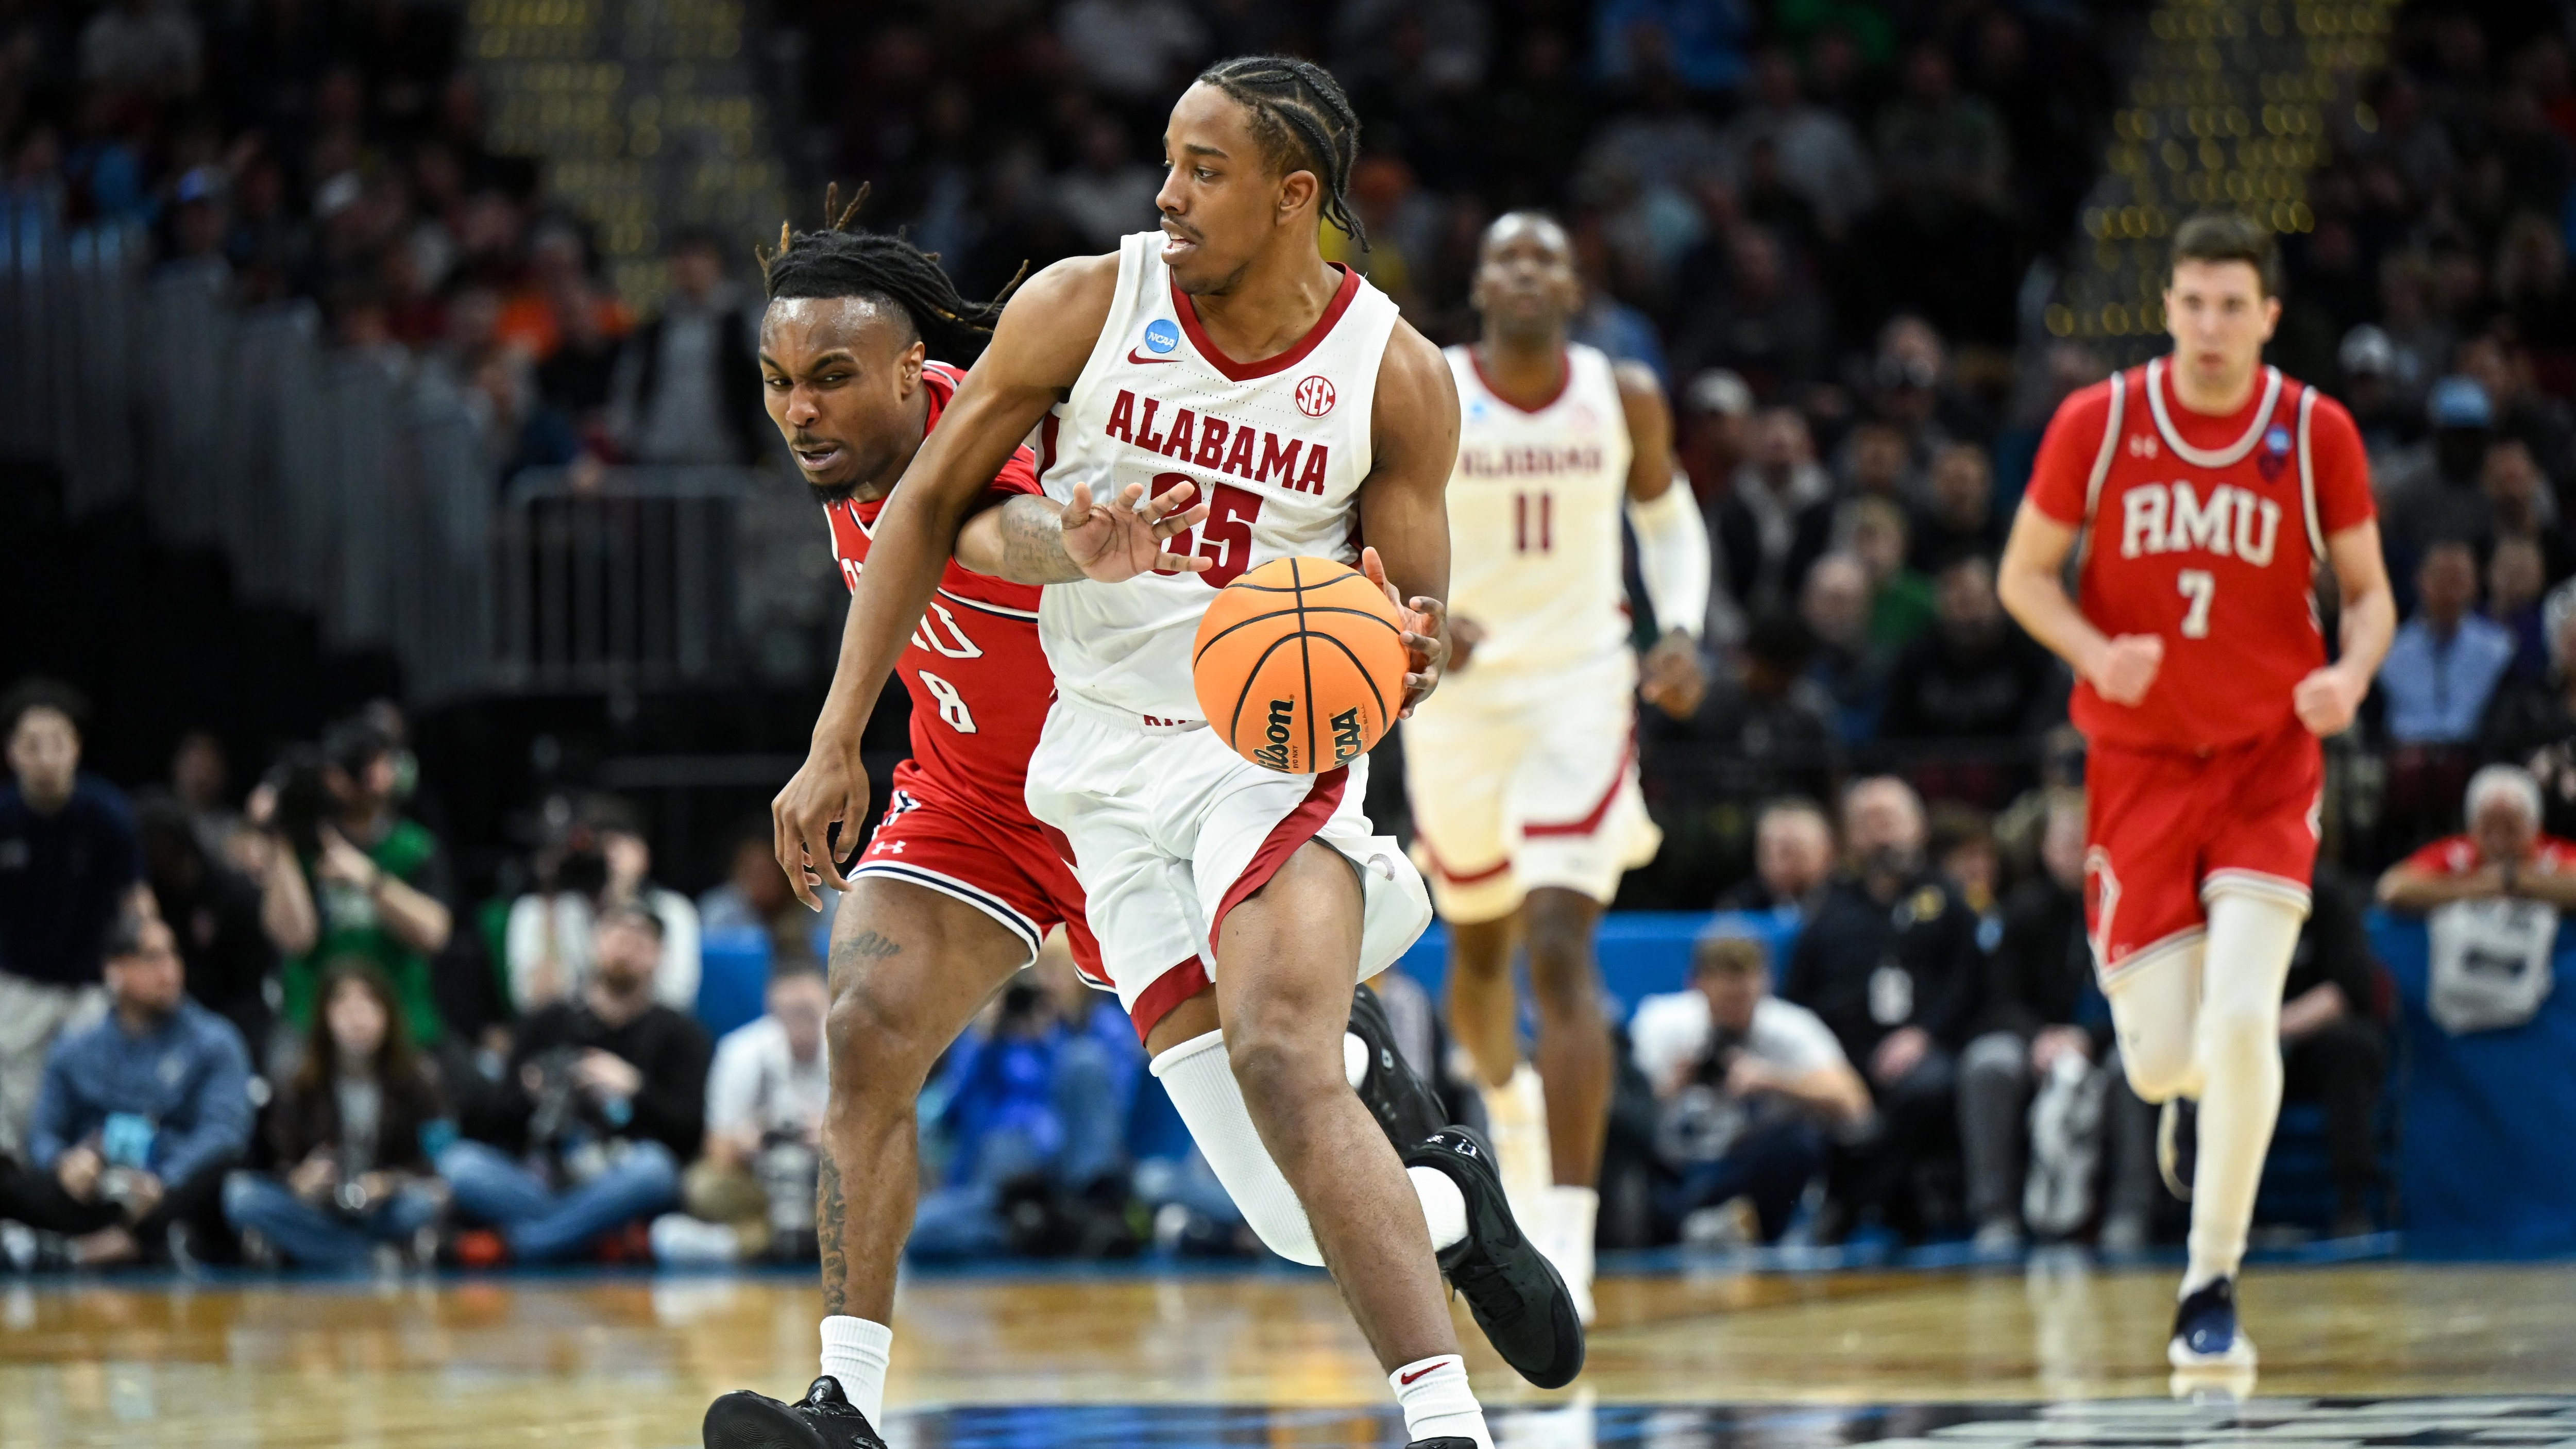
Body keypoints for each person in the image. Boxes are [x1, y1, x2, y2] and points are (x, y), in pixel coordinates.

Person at [741, 61, 1581, 1449]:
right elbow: (932, 525)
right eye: (779, 383)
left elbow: (1003, 522)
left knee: (1291, 1150)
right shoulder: (1028, 342)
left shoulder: (1366, 377)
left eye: (828, 379)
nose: (799, 411)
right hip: (1013, 789)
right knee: (869, 1033)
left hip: (1203, 762)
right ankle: (846, 1403)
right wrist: (838, 739)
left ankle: (1438, 1238)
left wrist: (1398, 651)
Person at [1995, 212, 2395, 1370]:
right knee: (2164, 1059)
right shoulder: (2100, 421)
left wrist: (2350, 675)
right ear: (2167, 307)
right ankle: (2189, 1103)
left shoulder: (2315, 431)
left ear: (2268, 316)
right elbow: (2022, 575)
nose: (2211, 326)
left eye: (2233, 306)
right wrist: (2092, 650)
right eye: (2194, 304)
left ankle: (2208, 1280)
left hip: (2269, 759)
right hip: (2139, 766)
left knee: (2244, 1015)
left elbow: (2371, 595)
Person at [1402, 209, 1712, 1323]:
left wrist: (1682, 629)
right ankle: (1509, 1106)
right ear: (1480, 284)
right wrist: (1419, 608)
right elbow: (1370, 516)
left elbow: (1668, 522)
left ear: (1575, 289)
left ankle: (1568, 1248)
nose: (1527, 272)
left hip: (1582, 687)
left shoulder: (1621, 394)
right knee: (1479, 954)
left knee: (1557, 940)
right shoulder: (1430, 385)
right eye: (1508, 258)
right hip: (1459, 700)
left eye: (1547, 258)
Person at [436, 905, 709, 1263]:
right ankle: (590, 1236)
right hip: (542, 1175)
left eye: (639, 943)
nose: (625, 950)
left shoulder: (683, 1034)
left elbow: (690, 1134)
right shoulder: (545, 1022)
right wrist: (528, 1094)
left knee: (655, 1170)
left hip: (620, 1176)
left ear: (659, 956)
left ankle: (522, 1244)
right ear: (594, 944)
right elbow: (490, 1124)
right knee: (460, 1164)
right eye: (616, 937)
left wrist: (635, 1090)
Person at [1780, 777, 1986, 1241]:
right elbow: (1799, 997)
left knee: (1925, 1089)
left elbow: (1968, 986)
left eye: (1890, 820)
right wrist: (1824, 1058)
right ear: (1849, 835)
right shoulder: (1828, 909)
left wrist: (1924, 1035)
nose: (1881, 835)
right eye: (1867, 823)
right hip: (1842, 1053)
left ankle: (1850, 1206)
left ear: (1918, 827)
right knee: (1811, 1096)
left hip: (1923, 1049)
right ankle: (1887, 1206)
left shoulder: (1949, 902)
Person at [0, 909, 251, 1268]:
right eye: (153, 958)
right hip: (96, 1191)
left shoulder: (215, 1042)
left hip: (169, 1193)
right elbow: (43, 1133)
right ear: (115, 970)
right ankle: (100, 1245)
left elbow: (224, 1131)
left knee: (227, 1173)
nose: (169, 971)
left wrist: (166, 1180)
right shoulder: (75, 1049)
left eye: (174, 955)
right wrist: (65, 1164)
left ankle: (81, 1249)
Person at [1955, 789, 2134, 1252]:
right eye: (2067, 842)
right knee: (1988, 1063)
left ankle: (2130, 1214)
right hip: (2037, 1044)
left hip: (2113, 1041)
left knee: (2137, 1068)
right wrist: (2040, 1039)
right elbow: (1998, 998)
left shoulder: (2133, 910)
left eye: (2087, 841)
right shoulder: (2020, 911)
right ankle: (1995, 1215)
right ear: (2045, 849)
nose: (2078, 852)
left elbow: (2146, 999)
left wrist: (2087, 1039)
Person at [1628, 933, 1870, 1243]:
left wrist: (1772, 1080)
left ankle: (1713, 1228)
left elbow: (1855, 1103)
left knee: (1799, 1140)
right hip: (1673, 1170)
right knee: (1622, 1148)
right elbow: (1625, 1110)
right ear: (1697, 986)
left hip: (1742, 1170)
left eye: (1743, 999)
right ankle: (1692, 1228)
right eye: (1725, 1000)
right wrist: (1672, 1084)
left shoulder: (1790, 1027)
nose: (1735, 1010)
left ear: (1766, 985)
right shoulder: (1662, 1022)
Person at [221, 963, 451, 1269]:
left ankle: (322, 1252)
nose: (357, 1018)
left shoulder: (417, 1081)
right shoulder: (297, 1082)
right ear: (325, 1017)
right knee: (241, 1196)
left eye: (368, 1005)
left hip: (384, 1207)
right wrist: (300, 1179)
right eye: (344, 1006)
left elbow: (435, 1162)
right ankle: (370, 1257)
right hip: (321, 1208)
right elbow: (273, 1160)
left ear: (388, 1015)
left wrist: (390, 1182)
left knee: (423, 1203)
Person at [0, 680, 142, 1157]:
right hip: (17, 985)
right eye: (31, 745)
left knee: (91, 1103)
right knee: (15, 1108)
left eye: (57, 743)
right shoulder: (4, 817)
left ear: (76, 747)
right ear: (11, 752)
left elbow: (135, 902)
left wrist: (137, 965)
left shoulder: (107, 815)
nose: (46, 758)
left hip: (88, 988)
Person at [274, 718, 455, 1052]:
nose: (382, 778)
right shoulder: (301, 850)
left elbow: (435, 933)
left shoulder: (413, 847)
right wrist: (280, 834)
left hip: (404, 1025)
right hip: (314, 1027)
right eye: (371, 766)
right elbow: (294, 938)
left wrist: (370, 880)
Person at [654, 961, 831, 1264]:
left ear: (828, 1005)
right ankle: (821, 1244)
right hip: (760, 1182)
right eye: (789, 1013)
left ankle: (734, 1244)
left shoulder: (855, 1053)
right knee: (703, 1186)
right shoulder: (740, 1052)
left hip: (828, 1184)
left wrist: (833, 1140)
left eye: (807, 1012)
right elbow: (717, 1150)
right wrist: (748, 1142)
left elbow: (876, 1148)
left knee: (874, 1191)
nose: (799, 1023)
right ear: (772, 1010)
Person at [133, 793, 314, 1066]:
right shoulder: (148, 901)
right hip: (170, 1014)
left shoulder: (233, 893)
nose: (158, 856)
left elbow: (254, 978)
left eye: (162, 845)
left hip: (236, 1013)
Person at [505, 801, 701, 1012]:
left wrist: (622, 907)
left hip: (646, 1029)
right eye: (597, 849)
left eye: (615, 848)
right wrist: (551, 904)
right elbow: (536, 1005)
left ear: (642, 854)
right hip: (570, 1029)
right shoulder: (539, 910)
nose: (605, 860)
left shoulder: (670, 910)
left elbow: (676, 1000)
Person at [609, 227, 768, 466]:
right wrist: (623, 437)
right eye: (681, 257)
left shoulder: (743, 323)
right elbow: (629, 385)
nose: (689, 266)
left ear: (717, 263)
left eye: (699, 256)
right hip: (657, 456)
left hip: (727, 457)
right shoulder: (655, 328)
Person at [2376, 763, 2576, 911]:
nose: (2499, 842)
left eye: (2511, 829)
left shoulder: (2552, 853)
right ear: (2472, 829)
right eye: (2488, 830)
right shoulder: (2458, 854)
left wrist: (2515, 879)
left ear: (2535, 828)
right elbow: (2392, 888)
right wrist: (2486, 885)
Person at [2380, 540, 2515, 746]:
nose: (2449, 589)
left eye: (2458, 579)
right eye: (2440, 577)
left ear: (2475, 583)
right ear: (2420, 580)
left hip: (2475, 753)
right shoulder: (2389, 650)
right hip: (2402, 753)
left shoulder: (2499, 649)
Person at [1716, 798, 1834, 915]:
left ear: (1826, 852)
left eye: (1790, 850)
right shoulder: (1738, 907)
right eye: (1768, 850)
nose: (1777, 863)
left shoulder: (1843, 909)